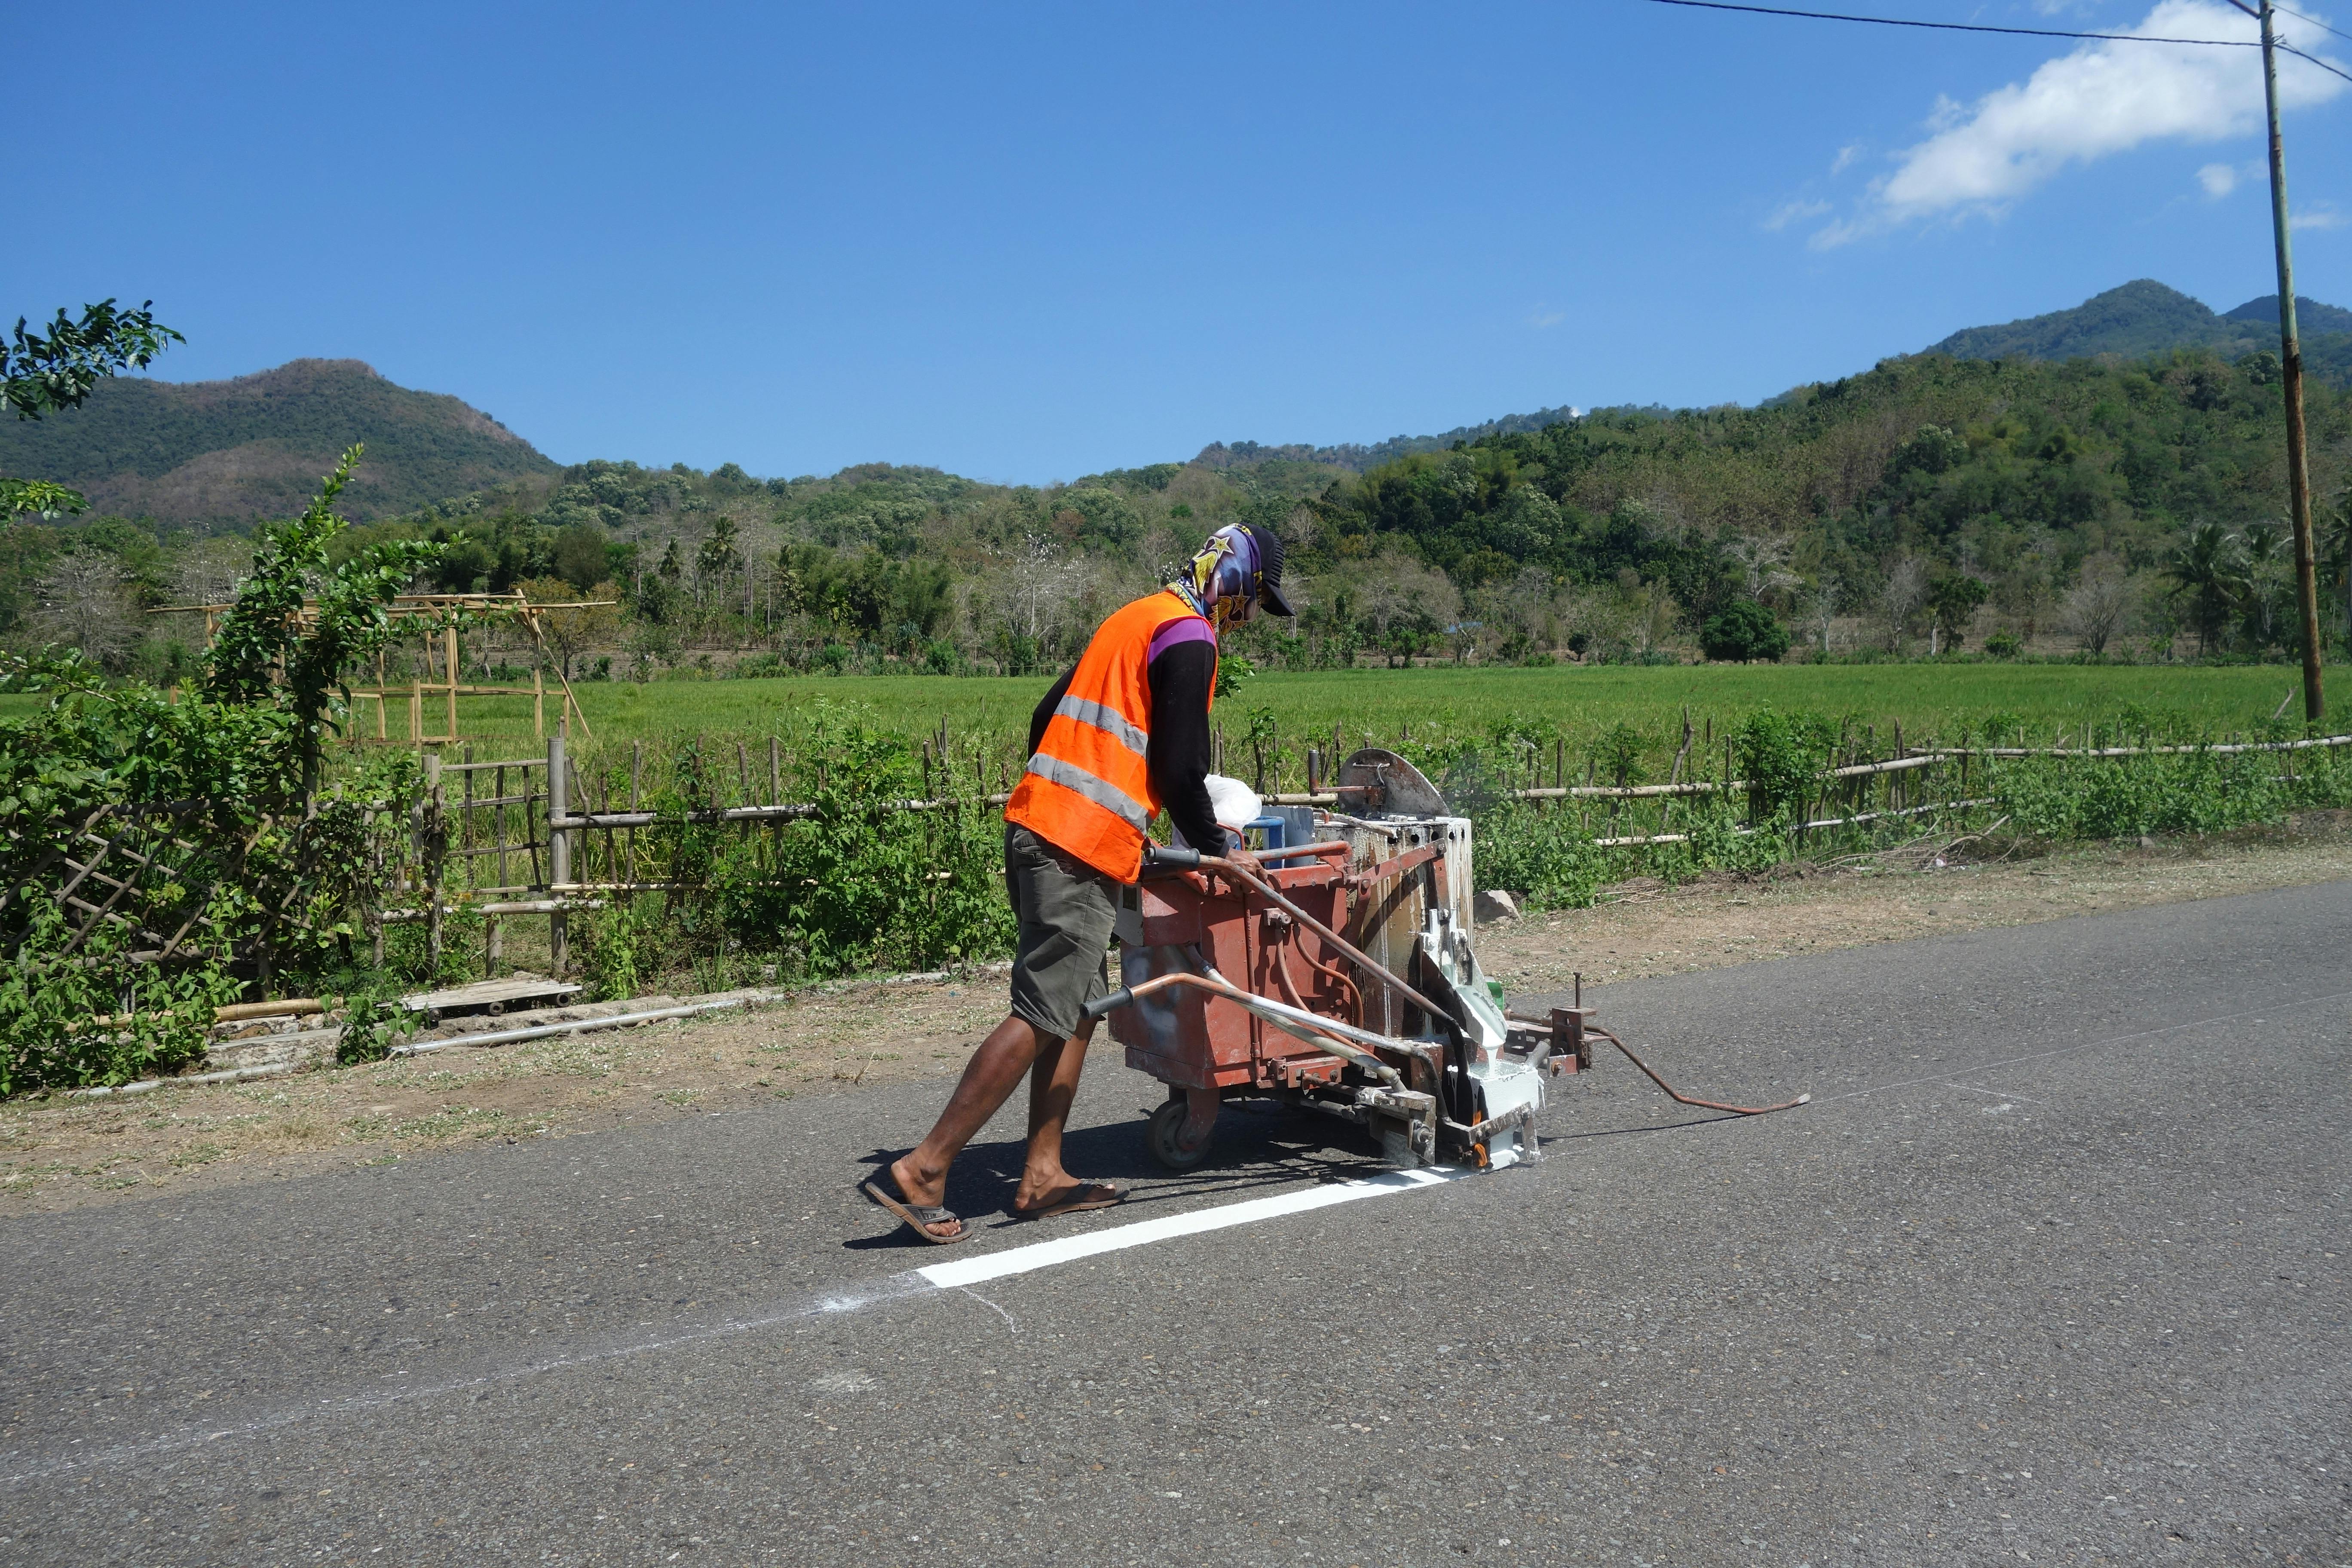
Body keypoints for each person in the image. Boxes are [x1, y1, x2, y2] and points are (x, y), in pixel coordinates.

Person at [861, 521, 1295, 1242]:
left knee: (1080, 1009)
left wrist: (1086, 807)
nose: (1249, 617)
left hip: (1049, 829)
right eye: (1254, 601)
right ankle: (925, 1168)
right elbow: (1181, 768)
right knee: (1043, 1011)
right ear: (1235, 581)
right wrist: (1218, 847)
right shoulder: (1190, 636)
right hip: (1075, 848)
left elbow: (1047, 717)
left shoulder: (1136, 617)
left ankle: (1042, 1174)